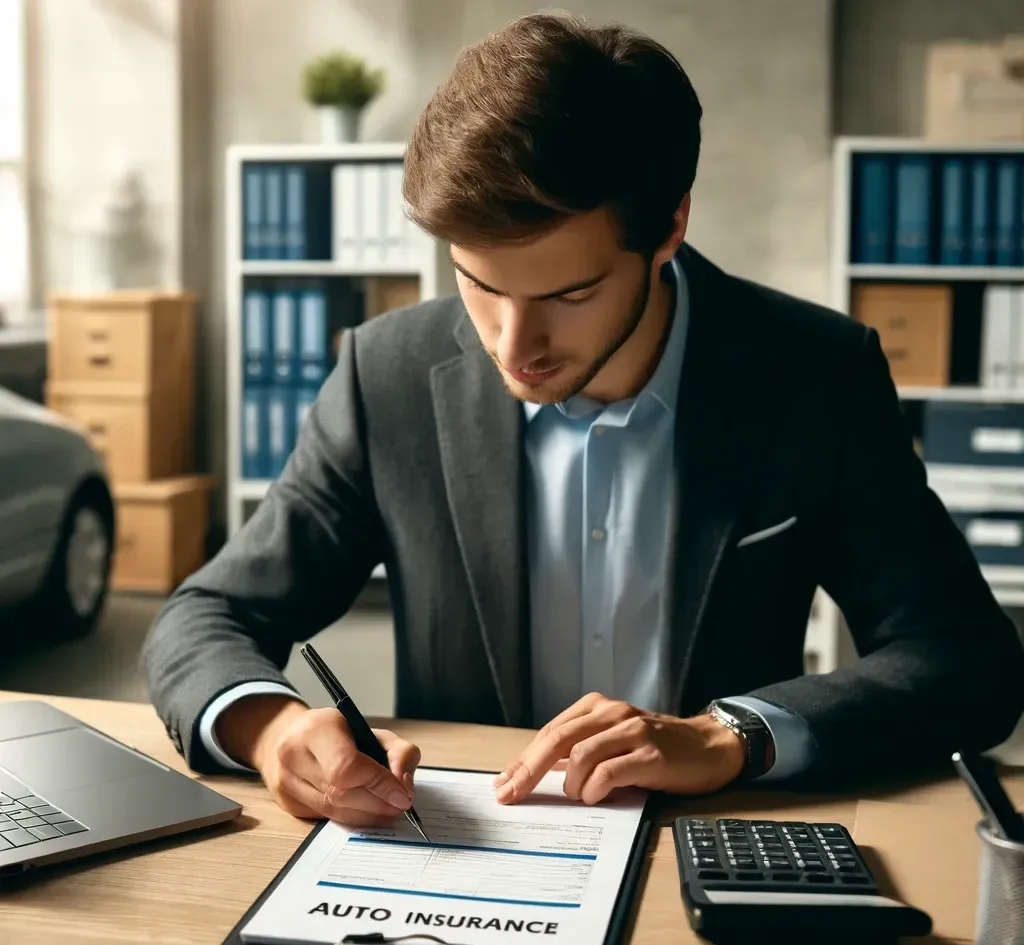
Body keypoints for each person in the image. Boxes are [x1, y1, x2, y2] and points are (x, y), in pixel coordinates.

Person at [143, 11, 1024, 828]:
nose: (513, 343)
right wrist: (269, 728)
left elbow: (965, 659)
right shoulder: (391, 374)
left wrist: (733, 736)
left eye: (570, 292)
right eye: (480, 283)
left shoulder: (814, 374)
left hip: (712, 843)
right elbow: (206, 615)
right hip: (463, 848)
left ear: (670, 226)